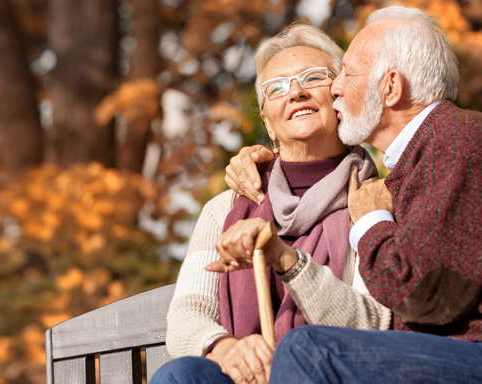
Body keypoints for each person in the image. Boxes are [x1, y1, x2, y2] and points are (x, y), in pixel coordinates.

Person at [223, 5, 482, 384]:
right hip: (466, 360)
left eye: (348, 75)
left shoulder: (460, 137)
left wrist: (370, 221)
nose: (336, 88)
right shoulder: (418, 160)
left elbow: (424, 295)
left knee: (308, 350)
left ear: (390, 87)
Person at [150, 24, 390, 384]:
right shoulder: (225, 208)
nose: (296, 92)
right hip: (243, 376)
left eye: (313, 77)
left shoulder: (373, 201)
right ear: (268, 123)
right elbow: (187, 314)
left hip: (330, 374)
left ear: (340, 98)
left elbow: (372, 323)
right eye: (276, 87)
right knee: (181, 375)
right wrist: (228, 350)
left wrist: (288, 261)